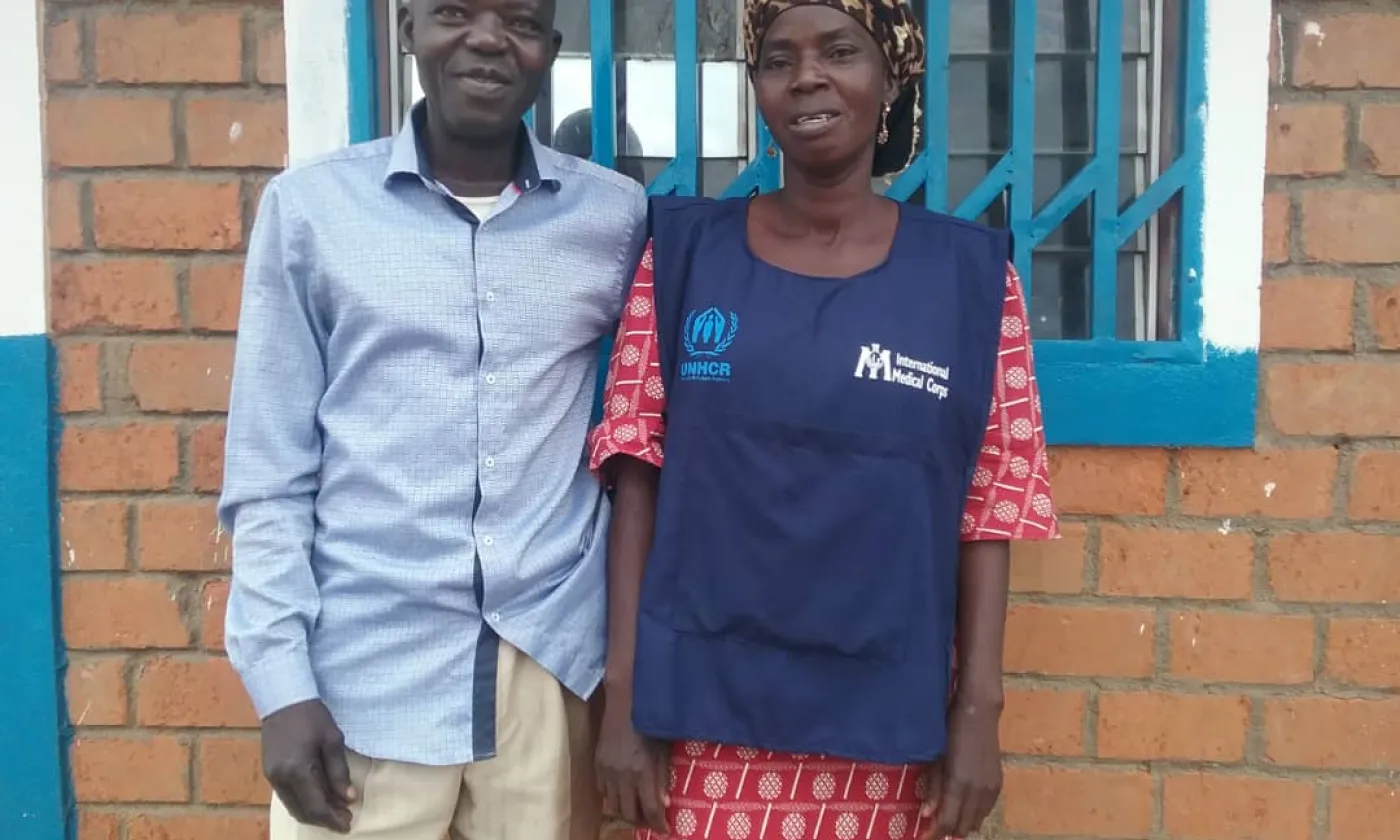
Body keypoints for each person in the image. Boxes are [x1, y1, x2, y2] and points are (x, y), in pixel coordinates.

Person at [588, 1, 1059, 839]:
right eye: (779, 59)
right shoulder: (687, 257)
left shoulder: (971, 281)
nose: (807, 77)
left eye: (840, 51)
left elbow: (993, 501)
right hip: (702, 719)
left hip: (888, 725)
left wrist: (979, 710)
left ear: (892, 77)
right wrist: (624, 693)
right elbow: (636, 469)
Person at [218, 0, 646, 837]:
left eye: (519, 21)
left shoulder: (614, 217)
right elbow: (268, 473)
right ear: (408, 28)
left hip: (542, 668)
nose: (487, 39)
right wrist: (280, 687)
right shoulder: (311, 212)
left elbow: (650, 412)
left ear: (550, 49)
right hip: (362, 676)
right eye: (454, 12)